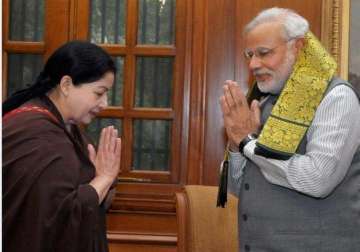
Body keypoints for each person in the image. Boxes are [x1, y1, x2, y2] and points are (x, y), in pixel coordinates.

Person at [219, 7, 360, 252]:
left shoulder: (336, 98)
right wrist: (236, 143)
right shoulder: (262, 102)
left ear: (298, 47)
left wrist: (247, 141)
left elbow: (318, 180)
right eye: (250, 54)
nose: (253, 64)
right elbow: (238, 187)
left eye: (264, 53)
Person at [3, 41, 121, 252]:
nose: (105, 104)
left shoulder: (64, 126)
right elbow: (56, 218)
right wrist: (103, 178)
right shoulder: (38, 134)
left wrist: (101, 180)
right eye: (99, 93)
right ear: (66, 85)